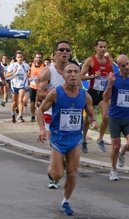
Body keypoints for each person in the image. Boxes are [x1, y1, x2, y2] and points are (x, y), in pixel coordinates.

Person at [37, 63, 99, 215]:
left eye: (76, 72)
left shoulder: (85, 96)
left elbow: (91, 114)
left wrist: (93, 121)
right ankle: (52, 170)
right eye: (69, 72)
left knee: (72, 173)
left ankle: (66, 202)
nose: (72, 75)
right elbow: (40, 110)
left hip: (75, 139)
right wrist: (42, 129)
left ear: (80, 76)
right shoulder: (55, 93)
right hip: (58, 138)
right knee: (57, 175)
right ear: (63, 76)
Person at [36, 40, 71, 189]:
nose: (64, 53)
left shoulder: (73, 70)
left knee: (67, 149)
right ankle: (54, 177)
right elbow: (39, 93)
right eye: (61, 50)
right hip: (51, 113)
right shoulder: (48, 71)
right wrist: (55, 95)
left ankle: (58, 168)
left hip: (69, 115)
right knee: (55, 146)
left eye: (67, 50)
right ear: (55, 54)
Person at [103, 54, 129, 181]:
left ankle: (122, 152)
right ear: (118, 67)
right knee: (115, 146)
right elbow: (105, 98)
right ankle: (113, 170)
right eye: (122, 65)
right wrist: (109, 85)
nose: (126, 67)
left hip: (128, 117)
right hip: (115, 117)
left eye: (127, 64)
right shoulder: (114, 79)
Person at [80, 39, 115, 153]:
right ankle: (84, 141)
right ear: (95, 48)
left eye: (104, 47)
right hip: (92, 92)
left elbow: (113, 74)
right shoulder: (90, 60)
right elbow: (80, 76)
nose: (103, 49)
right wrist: (93, 76)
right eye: (100, 47)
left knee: (106, 116)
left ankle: (100, 139)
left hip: (103, 93)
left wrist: (111, 81)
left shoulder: (109, 61)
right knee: (87, 119)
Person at [6, 50, 30, 123]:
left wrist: (28, 76)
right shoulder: (12, 65)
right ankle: (13, 114)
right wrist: (13, 72)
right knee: (14, 101)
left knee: (21, 100)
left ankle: (20, 115)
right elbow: (6, 75)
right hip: (14, 85)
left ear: (23, 57)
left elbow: (29, 74)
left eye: (21, 57)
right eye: (18, 57)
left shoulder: (26, 65)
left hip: (22, 84)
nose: (20, 58)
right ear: (16, 58)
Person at [28, 52, 45, 122]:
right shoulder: (30, 65)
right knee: (32, 103)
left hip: (40, 87)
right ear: (34, 58)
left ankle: (40, 115)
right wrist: (28, 77)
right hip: (32, 86)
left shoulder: (44, 66)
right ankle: (32, 115)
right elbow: (27, 74)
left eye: (40, 58)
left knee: (39, 103)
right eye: (37, 57)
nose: (38, 59)